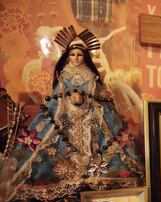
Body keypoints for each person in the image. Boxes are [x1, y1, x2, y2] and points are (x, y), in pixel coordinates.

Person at [11, 25, 142, 187]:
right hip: (66, 114)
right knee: (54, 140)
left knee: (104, 137)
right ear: (67, 56)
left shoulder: (90, 75)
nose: (75, 57)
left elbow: (97, 93)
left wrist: (86, 99)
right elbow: (58, 93)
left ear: (85, 57)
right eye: (72, 54)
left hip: (91, 114)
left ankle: (98, 173)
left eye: (79, 55)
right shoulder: (64, 74)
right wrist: (68, 101)